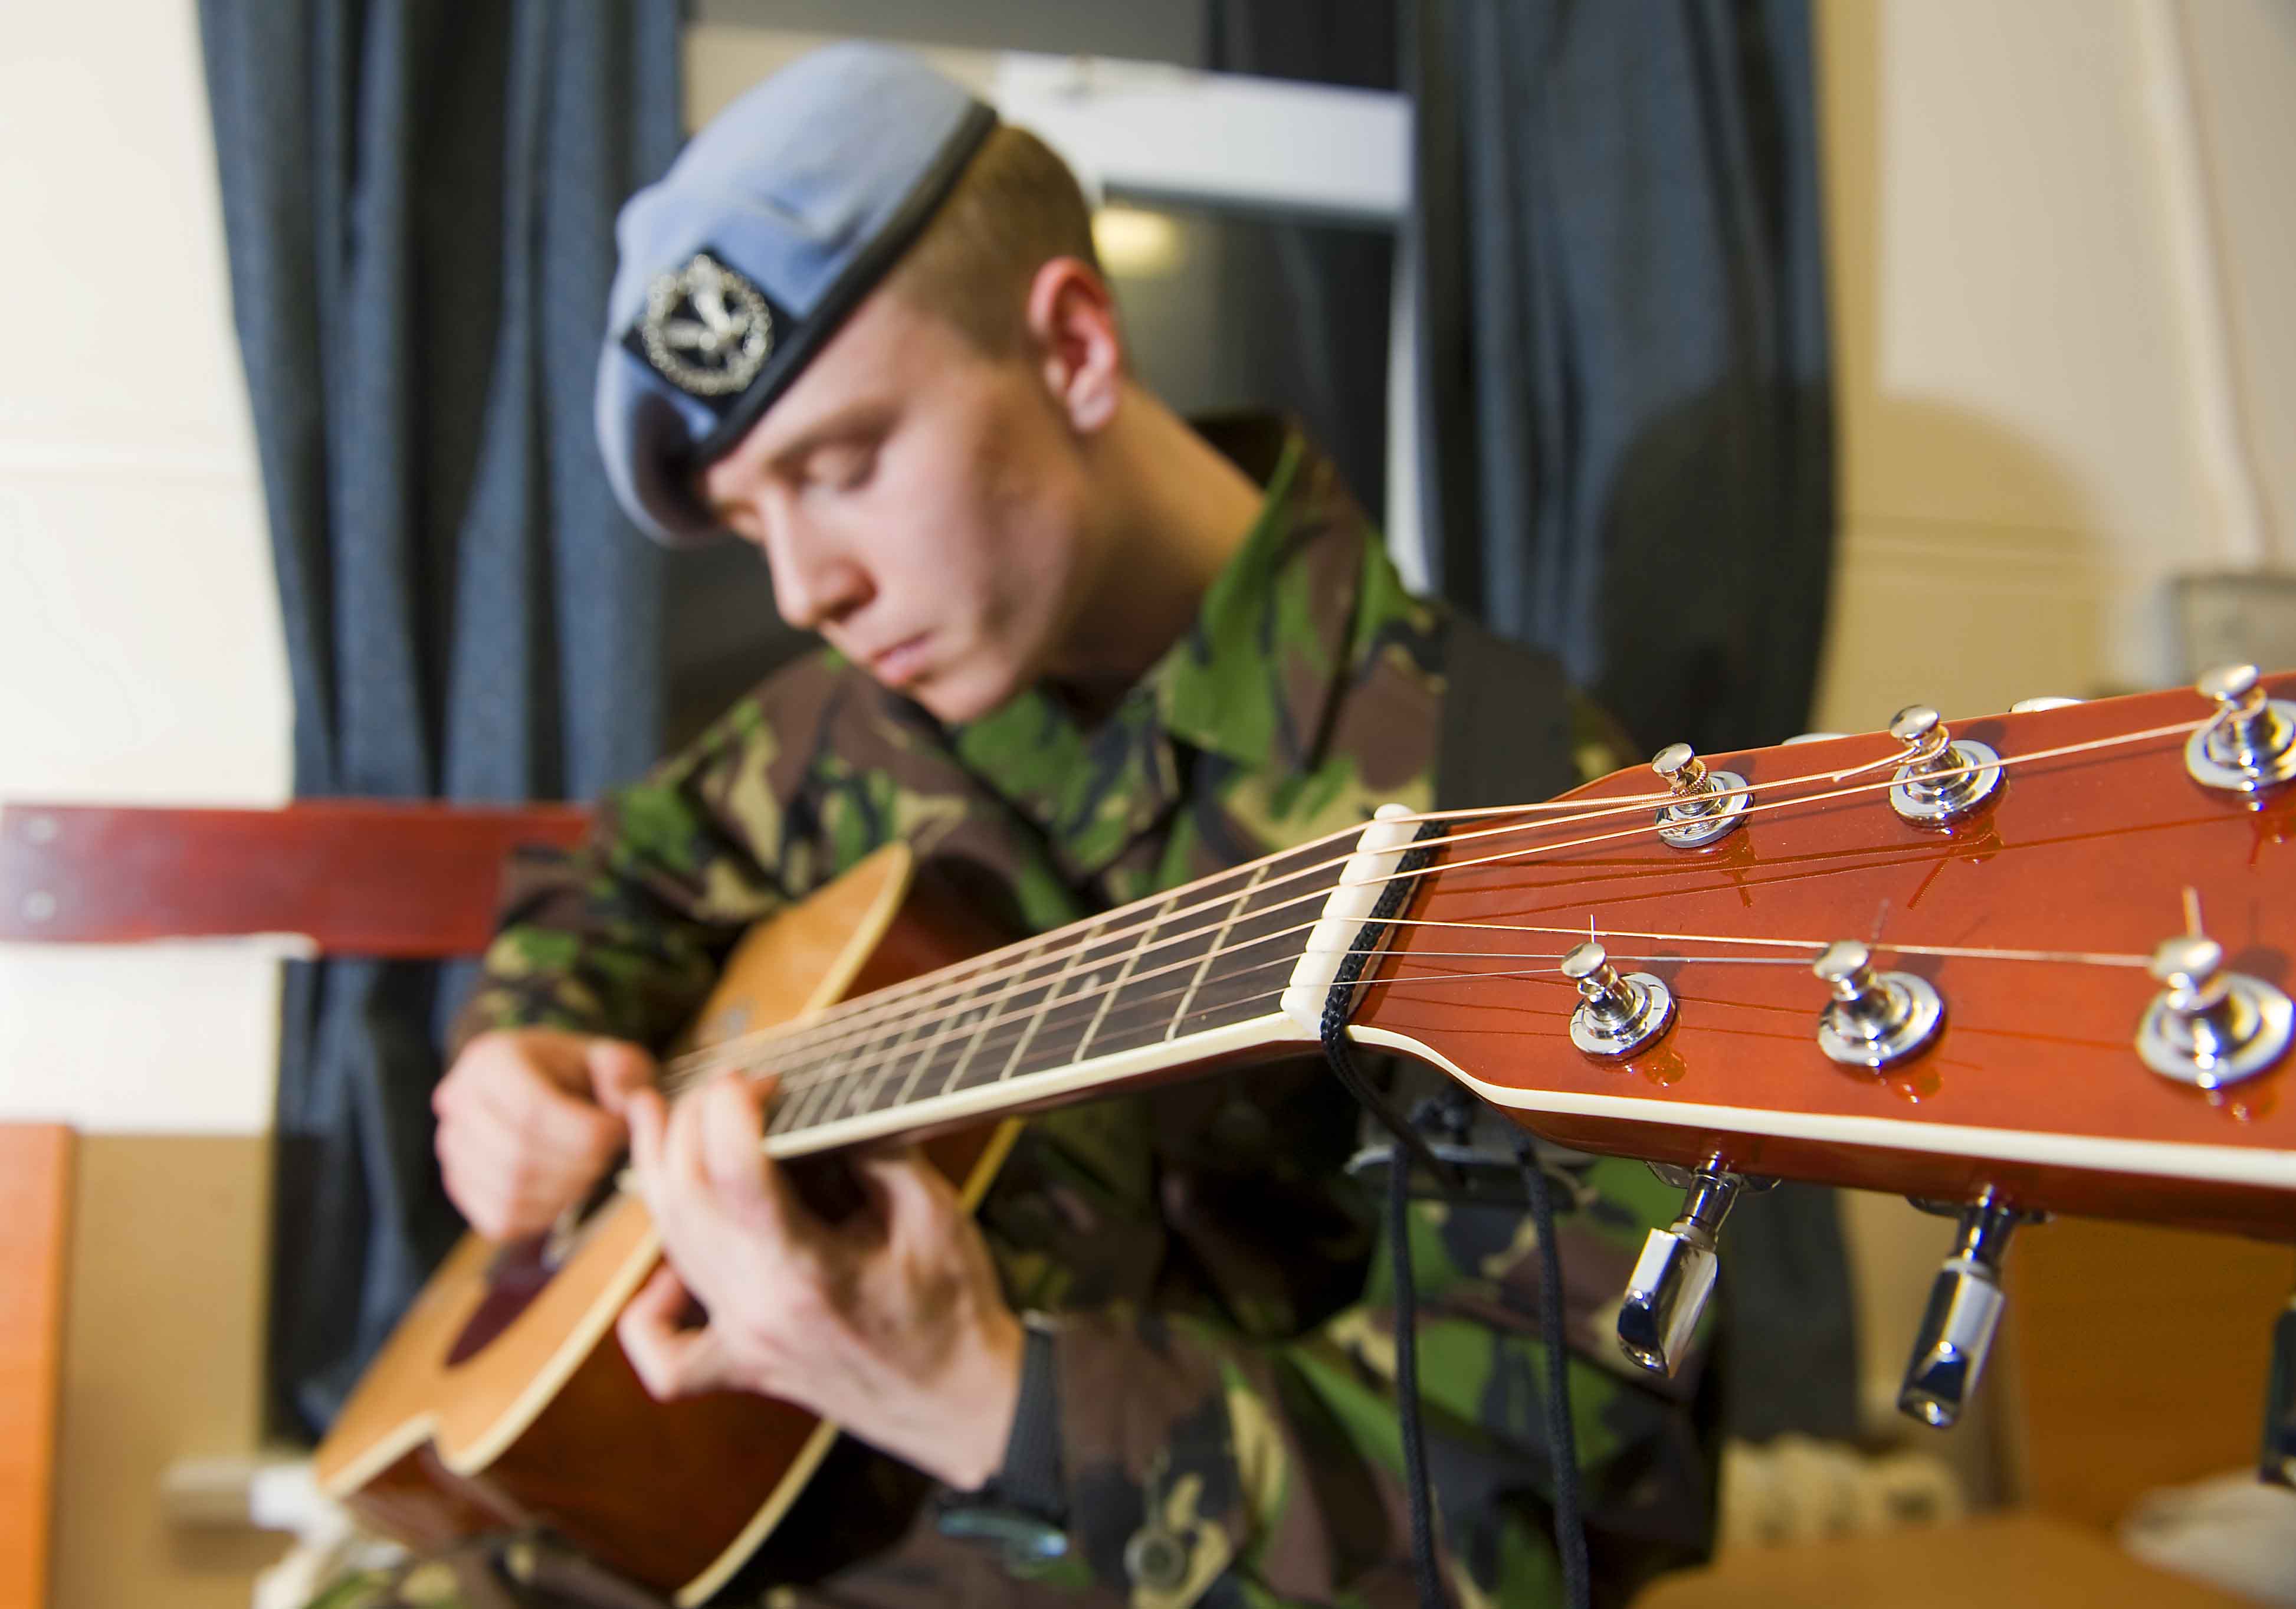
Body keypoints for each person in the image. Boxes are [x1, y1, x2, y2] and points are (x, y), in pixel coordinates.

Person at [319, 41, 1716, 1609]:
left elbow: (1526, 1532)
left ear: (1070, 346)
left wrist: (984, 1391)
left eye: (839, 470)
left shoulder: (1515, 807)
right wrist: (521, 1049)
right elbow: (621, 876)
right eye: (747, 524)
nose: (802, 589)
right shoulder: (851, 717)